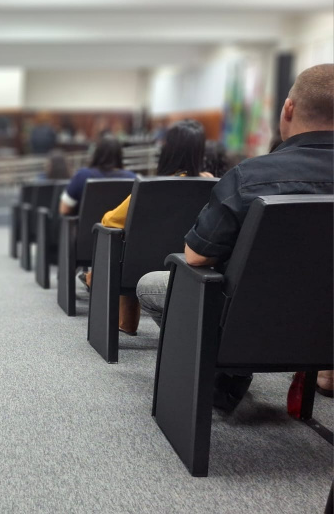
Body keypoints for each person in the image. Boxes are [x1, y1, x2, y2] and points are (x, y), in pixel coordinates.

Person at [136, 64, 334, 408]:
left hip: (252, 319)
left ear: (288, 109)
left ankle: (229, 371)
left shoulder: (251, 176)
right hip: (325, 318)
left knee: (152, 285)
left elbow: (196, 256)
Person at [92, 119, 210, 336]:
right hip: (192, 268)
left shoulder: (153, 187)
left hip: (140, 270)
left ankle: (125, 321)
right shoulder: (214, 187)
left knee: (117, 239)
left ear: (168, 151)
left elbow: (110, 220)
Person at [59, 136, 137, 215]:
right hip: (120, 223)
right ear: (119, 155)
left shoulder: (82, 176)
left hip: (87, 223)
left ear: (96, 153)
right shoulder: (132, 178)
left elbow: (64, 209)